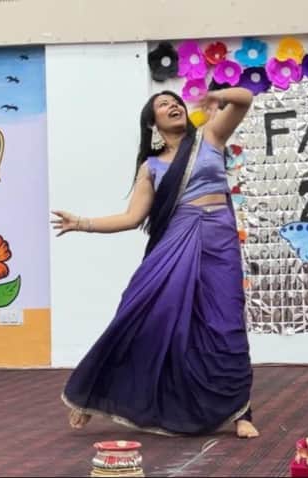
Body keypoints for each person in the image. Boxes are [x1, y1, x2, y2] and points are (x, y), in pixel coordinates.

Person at [51, 87, 259, 439]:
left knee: (226, 325)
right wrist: (82, 223)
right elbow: (132, 218)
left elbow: (245, 99)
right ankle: (95, 392)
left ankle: (240, 412)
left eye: (175, 101)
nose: (173, 105)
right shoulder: (151, 167)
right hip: (177, 243)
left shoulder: (210, 136)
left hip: (220, 243)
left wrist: (216, 95)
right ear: (152, 123)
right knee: (144, 314)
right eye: (163, 104)